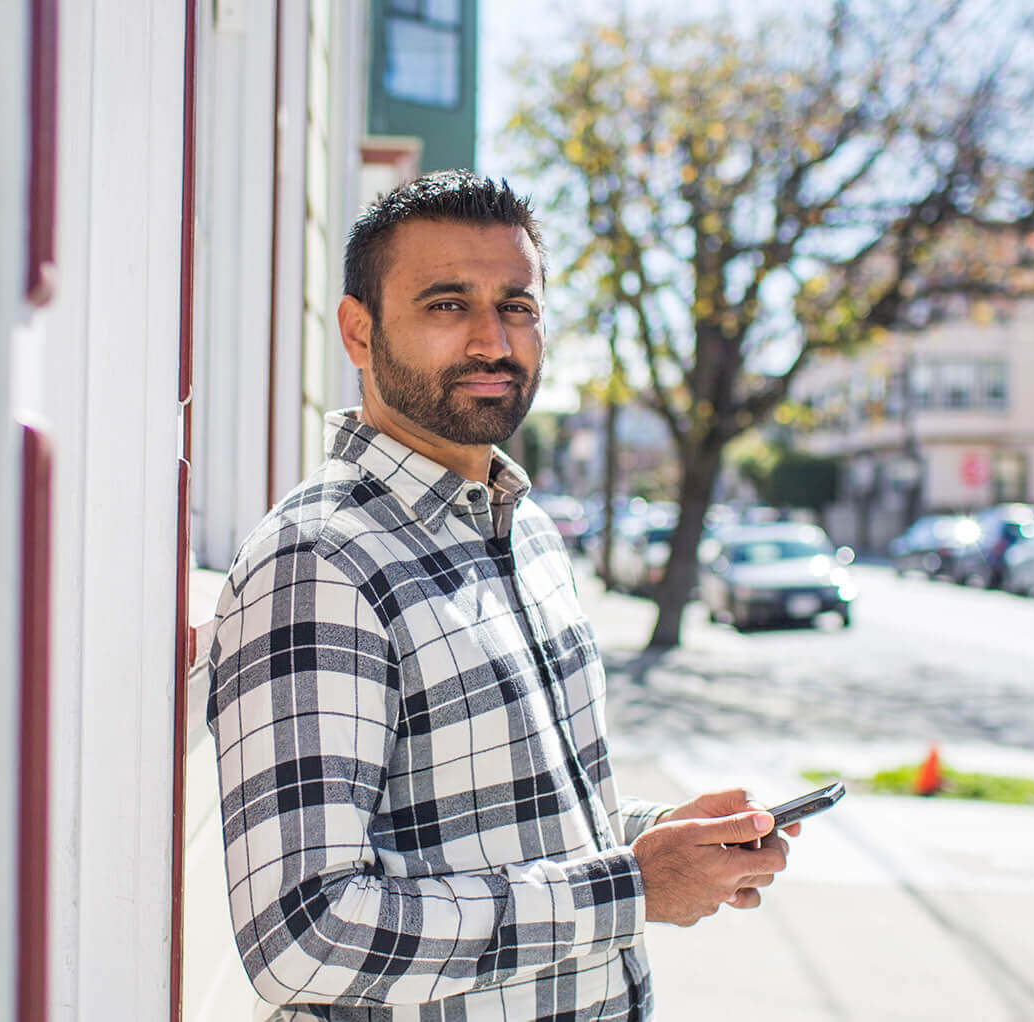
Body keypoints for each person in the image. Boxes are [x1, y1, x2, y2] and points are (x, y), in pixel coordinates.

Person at [204, 171, 796, 1021]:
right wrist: (630, 888)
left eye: (516, 306)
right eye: (447, 305)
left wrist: (664, 839)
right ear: (358, 332)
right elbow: (305, 938)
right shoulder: (320, 562)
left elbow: (506, 825)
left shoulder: (529, 534)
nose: (493, 340)